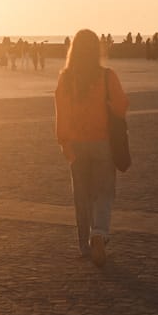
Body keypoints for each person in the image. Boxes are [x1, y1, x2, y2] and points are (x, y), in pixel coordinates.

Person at [55, 29, 130, 264]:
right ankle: (99, 233)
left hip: (77, 144)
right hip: (103, 143)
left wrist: (64, 142)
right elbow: (121, 106)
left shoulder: (66, 78)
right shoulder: (107, 76)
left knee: (82, 196)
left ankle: (84, 246)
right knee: (104, 193)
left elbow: (61, 114)